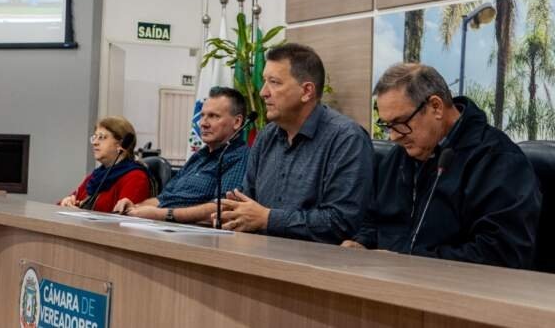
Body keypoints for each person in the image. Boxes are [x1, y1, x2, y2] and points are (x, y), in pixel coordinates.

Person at [343, 63, 542, 269]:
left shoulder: (499, 159)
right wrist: (361, 244)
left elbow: (502, 254)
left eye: (400, 122)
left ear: (436, 107)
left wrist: (407, 260)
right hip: (388, 281)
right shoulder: (398, 157)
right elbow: (373, 221)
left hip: (458, 291)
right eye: (387, 126)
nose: (393, 137)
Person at [216, 43, 373, 244]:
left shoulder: (346, 138)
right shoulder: (267, 136)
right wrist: (233, 215)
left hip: (315, 265)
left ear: (306, 91)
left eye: (274, 82)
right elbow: (249, 202)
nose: (263, 92)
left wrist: (267, 219)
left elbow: (340, 222)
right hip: (260, 255)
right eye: (265, 81)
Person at [113, 86, 249, 223]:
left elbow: (222, 208)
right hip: (163, 224)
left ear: (237, 122)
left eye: (213, 116)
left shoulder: (239, 156)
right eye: (202, 116)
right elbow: (164, 198)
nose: (203, 123)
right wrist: (135, 208)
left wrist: (164, 214)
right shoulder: (199, 156)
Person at [59, 116, 151, 213]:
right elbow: (67, 201)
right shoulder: (95, 176)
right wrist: (66, 202)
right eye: (94, 137)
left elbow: (126, 219)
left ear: (121, 144)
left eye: (101, 137)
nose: (95, 142)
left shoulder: (136, 177)